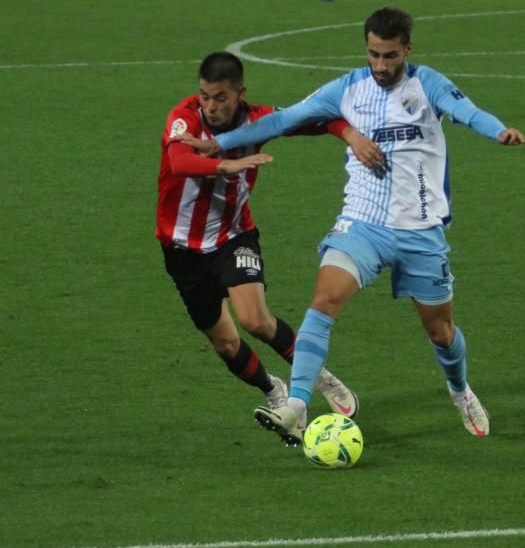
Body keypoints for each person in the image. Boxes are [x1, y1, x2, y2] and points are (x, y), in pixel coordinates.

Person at [185, 8, 525, 445]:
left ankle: (460, 389)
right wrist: (219, 143)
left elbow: (469, 111)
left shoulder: (429, 85)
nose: (381, 66)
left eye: (389, 56)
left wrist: (499, 132)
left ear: (407, 48)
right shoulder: (348, 89)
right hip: (362, 224)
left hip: (420, 230)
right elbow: (282, 120)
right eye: (373, 55)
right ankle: (297, 404)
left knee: (441, 333)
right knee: (325, 299)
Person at [157, 51, 370, 423]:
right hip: (182, 251)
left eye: (220, 97)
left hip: (233, 236)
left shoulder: (258, 120)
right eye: (205, 95)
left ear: (241, 93)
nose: (211, 106)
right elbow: (178, 162)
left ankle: (317, 377)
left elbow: (317, 120)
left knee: (255, 320)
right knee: (225, 344)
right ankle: (273, 389)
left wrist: (350, 135)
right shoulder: (184, 116)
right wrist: (225, 164)